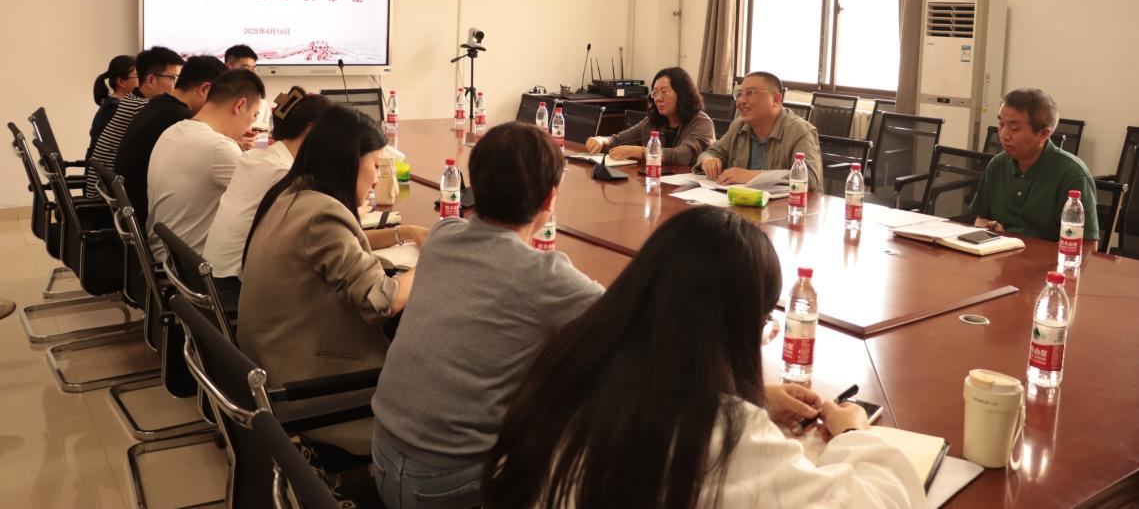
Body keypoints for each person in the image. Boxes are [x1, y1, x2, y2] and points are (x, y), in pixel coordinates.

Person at [483, 207, 926, 509]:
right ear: (735, 326)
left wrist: (749, 395)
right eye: (762, 322)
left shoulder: (569, 365)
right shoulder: (718, 434)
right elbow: (880, 501)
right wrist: (853, 434)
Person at [371, 122, 604, 509]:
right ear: (551, 198)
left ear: (472, 187)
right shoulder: (546, 277)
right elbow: (631, 323)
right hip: (448, 485)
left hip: (381, 458)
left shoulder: (443, 235)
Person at [239, 104, 425, 455]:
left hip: (272, 362)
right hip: (310, 388)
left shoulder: (295, 192)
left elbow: (343, 243)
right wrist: (432, 260)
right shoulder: (322, 214)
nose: (376, 178)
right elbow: (383, 302)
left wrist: (405, 232)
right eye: (375, 165)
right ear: (349, 161)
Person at [203, 88, 332, 280]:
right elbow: (320, 236)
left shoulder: (255, 157)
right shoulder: (284, 173)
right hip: (234, 283)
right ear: (310, 130)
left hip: (212, 274)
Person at [146, 68, 265, 277]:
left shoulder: (174, 130)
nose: (250, 126)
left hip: (166, 255)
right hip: (193, 269)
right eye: (253, 115)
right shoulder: (218, 147)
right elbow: (269, 199)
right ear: (240, 105)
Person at [971, 88, 1099, 248]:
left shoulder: (1072, 175)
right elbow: (981, 218)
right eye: (1001, 124)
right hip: (1000, 258)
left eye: (1014, 128)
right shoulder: (998, 164)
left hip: (1044, 263)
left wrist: (1016, 245)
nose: (1003, 135)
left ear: (1043, 134)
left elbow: (1086, 246)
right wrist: (988, 231)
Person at [114, 56, 225, 228]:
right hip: (147, 218)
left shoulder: (158, 105)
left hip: (129, 210)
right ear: (205, 89)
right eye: (219, 99)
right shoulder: (181, 119)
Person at [695, 72, 822, 190]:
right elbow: (712, 152)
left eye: (750, 93)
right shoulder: (739, 125)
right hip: (740, 201)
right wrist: (708, 161)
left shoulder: (799, 131)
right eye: (739, 94)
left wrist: (753, 176)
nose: (741, 101)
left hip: (785, 205)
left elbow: (809, 177)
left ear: (776, 100)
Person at [85, 46, 184, 197]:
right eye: (174, 78)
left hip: (107, 191)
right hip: (109, 199)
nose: (178, 85)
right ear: (151, 79)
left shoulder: (132, 100)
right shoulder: (143, 108)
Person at [584, 66, 714, 166]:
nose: (658, 98)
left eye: (664, 92)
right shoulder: (654, 120)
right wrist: (602, 141)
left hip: (686, 187)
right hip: (656, 180)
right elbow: (621, 139)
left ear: (682, 94)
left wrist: (641, 152)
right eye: (655, 93)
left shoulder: (702, 122)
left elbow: (684, 155)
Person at [87, 55, 137, 159]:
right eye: (138, 76)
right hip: (101, 168)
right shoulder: (113, 108)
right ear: (121, 82)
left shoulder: (115, 104)